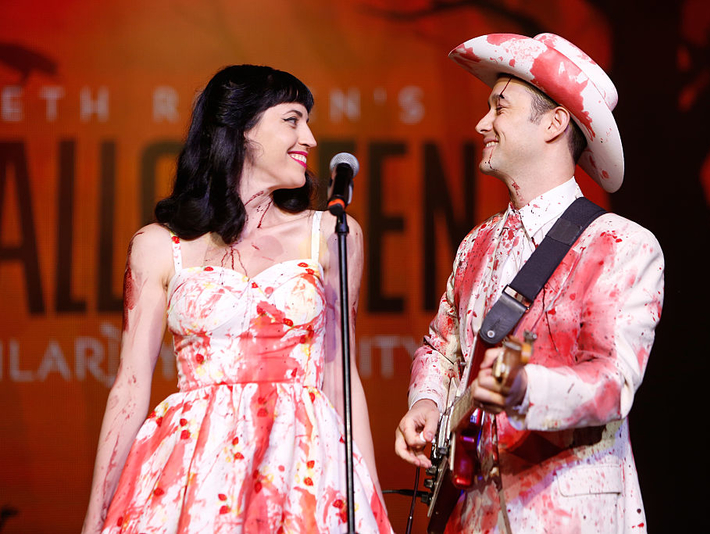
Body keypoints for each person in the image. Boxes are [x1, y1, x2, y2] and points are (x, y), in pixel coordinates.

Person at [82, 65, 392, 533]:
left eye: (308, 121)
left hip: (301, 464)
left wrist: (368, 502)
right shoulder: (158, 245)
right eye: (292, 120)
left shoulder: (330, 235)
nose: (309, 137)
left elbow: (339, 376)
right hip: (196, 469)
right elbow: (129, 385)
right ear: (241, 129)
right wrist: (95, 517)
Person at [395, 33, 664, 533]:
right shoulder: (475, 244)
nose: (482, 123)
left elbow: (614, 380)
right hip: (471, 513)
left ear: (555, 122)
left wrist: (524, 387)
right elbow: (442, 346)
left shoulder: (621, 245)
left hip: (566, 512)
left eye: (500, 106)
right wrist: (427, 403)